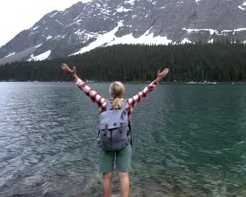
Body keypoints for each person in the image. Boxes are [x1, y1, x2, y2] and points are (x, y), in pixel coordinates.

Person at [61, 63, 169, 197]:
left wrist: (74, 76)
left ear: (110, 92)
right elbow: (146, 91)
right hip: (124, 143)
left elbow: (86, 89)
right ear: (122, 92)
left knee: (107, 177)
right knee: (124, 176)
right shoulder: (129, 103)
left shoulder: (102, 102)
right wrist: (158, 79)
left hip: (105, 144)